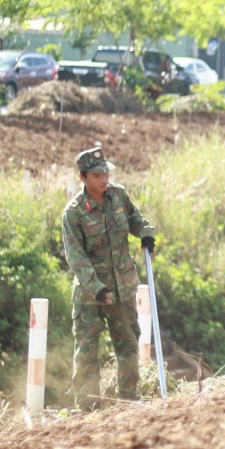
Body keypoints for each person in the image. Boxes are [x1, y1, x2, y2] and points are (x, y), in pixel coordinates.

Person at [61, 147, 156, 407]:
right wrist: (97, 287)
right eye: (97, 175)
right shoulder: (74, 212)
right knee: (87, 351)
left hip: (122, 287)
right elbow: (75, 256)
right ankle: (89, 405)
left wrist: (146, 232)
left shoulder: (119, 196)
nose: (104, 179)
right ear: (83, 178)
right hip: (91, 294)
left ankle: (128, 399)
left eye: (106, 173)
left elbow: (135, 219)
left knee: (127, 345)